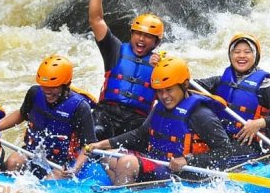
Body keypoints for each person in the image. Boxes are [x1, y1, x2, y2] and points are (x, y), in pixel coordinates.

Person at [82, 56, 256, 186]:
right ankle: (125, 189)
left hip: (185, 174)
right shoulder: (160, 108)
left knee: (128, 163)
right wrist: (102, 144)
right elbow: (140, 136)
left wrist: (188, 160)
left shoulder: (200, 114)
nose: (164, 96)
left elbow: (225, 151)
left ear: (184, 85)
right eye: (159, 91)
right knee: (108, 157)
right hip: (159, 163)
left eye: (169, 90)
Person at [88, 0, 163, 140]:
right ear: (131, 33)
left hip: (137, 120)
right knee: (98, 131)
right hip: (106, 112)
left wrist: (160, 71)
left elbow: (175, 96)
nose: (142, 39)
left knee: (138, 141)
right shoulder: (114, 49)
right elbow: (96, 19)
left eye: (148, 37)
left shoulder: (161, 63)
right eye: (138, 33)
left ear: (157, 42)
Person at [0, 55, 97, 179]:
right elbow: (22, 114)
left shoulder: (81, 107)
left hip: (62, 163)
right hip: (32, 152)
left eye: (53, 87)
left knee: (51, 180)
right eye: (44, 86)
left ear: (66, 84)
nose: (47, 92)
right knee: (13, 162)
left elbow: (88, 146)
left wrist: (75, 168)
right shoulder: (34, 93)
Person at [195, 33, 270, 145]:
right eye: (236, 52)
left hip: (249, 143)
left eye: (247, 52)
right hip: (221, 140)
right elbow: (188, 85)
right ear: (230, 56)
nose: (241, 55)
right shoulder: (220, 81)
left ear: (255, 56)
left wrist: (258, 124)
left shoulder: (266, 85)